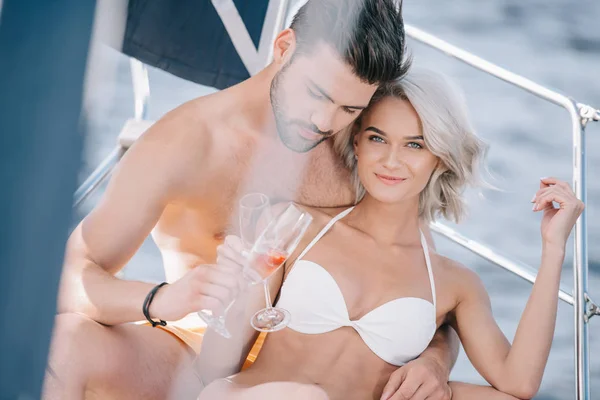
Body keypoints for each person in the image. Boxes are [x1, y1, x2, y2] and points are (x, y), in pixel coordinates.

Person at [43, 1, 459, 399]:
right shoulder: (186, 144)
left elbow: (427, 289)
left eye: (349, 108)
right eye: (316, 93)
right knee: (65, 347)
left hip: (317, 367)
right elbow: (69, 278)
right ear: (283, 48)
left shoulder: (361, 150)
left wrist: (436, 360)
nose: (324, 121)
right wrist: (161, 298)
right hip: (194, 353)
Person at [197, 68, 584, 400]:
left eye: (414, 145)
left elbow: (519, 383)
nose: (391, 160)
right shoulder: (297, 225)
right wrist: (235, 292)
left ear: (440, 159)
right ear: (357, 143)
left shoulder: (453, 284)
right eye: (377, 138)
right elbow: (214, 363)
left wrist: (553, 248)